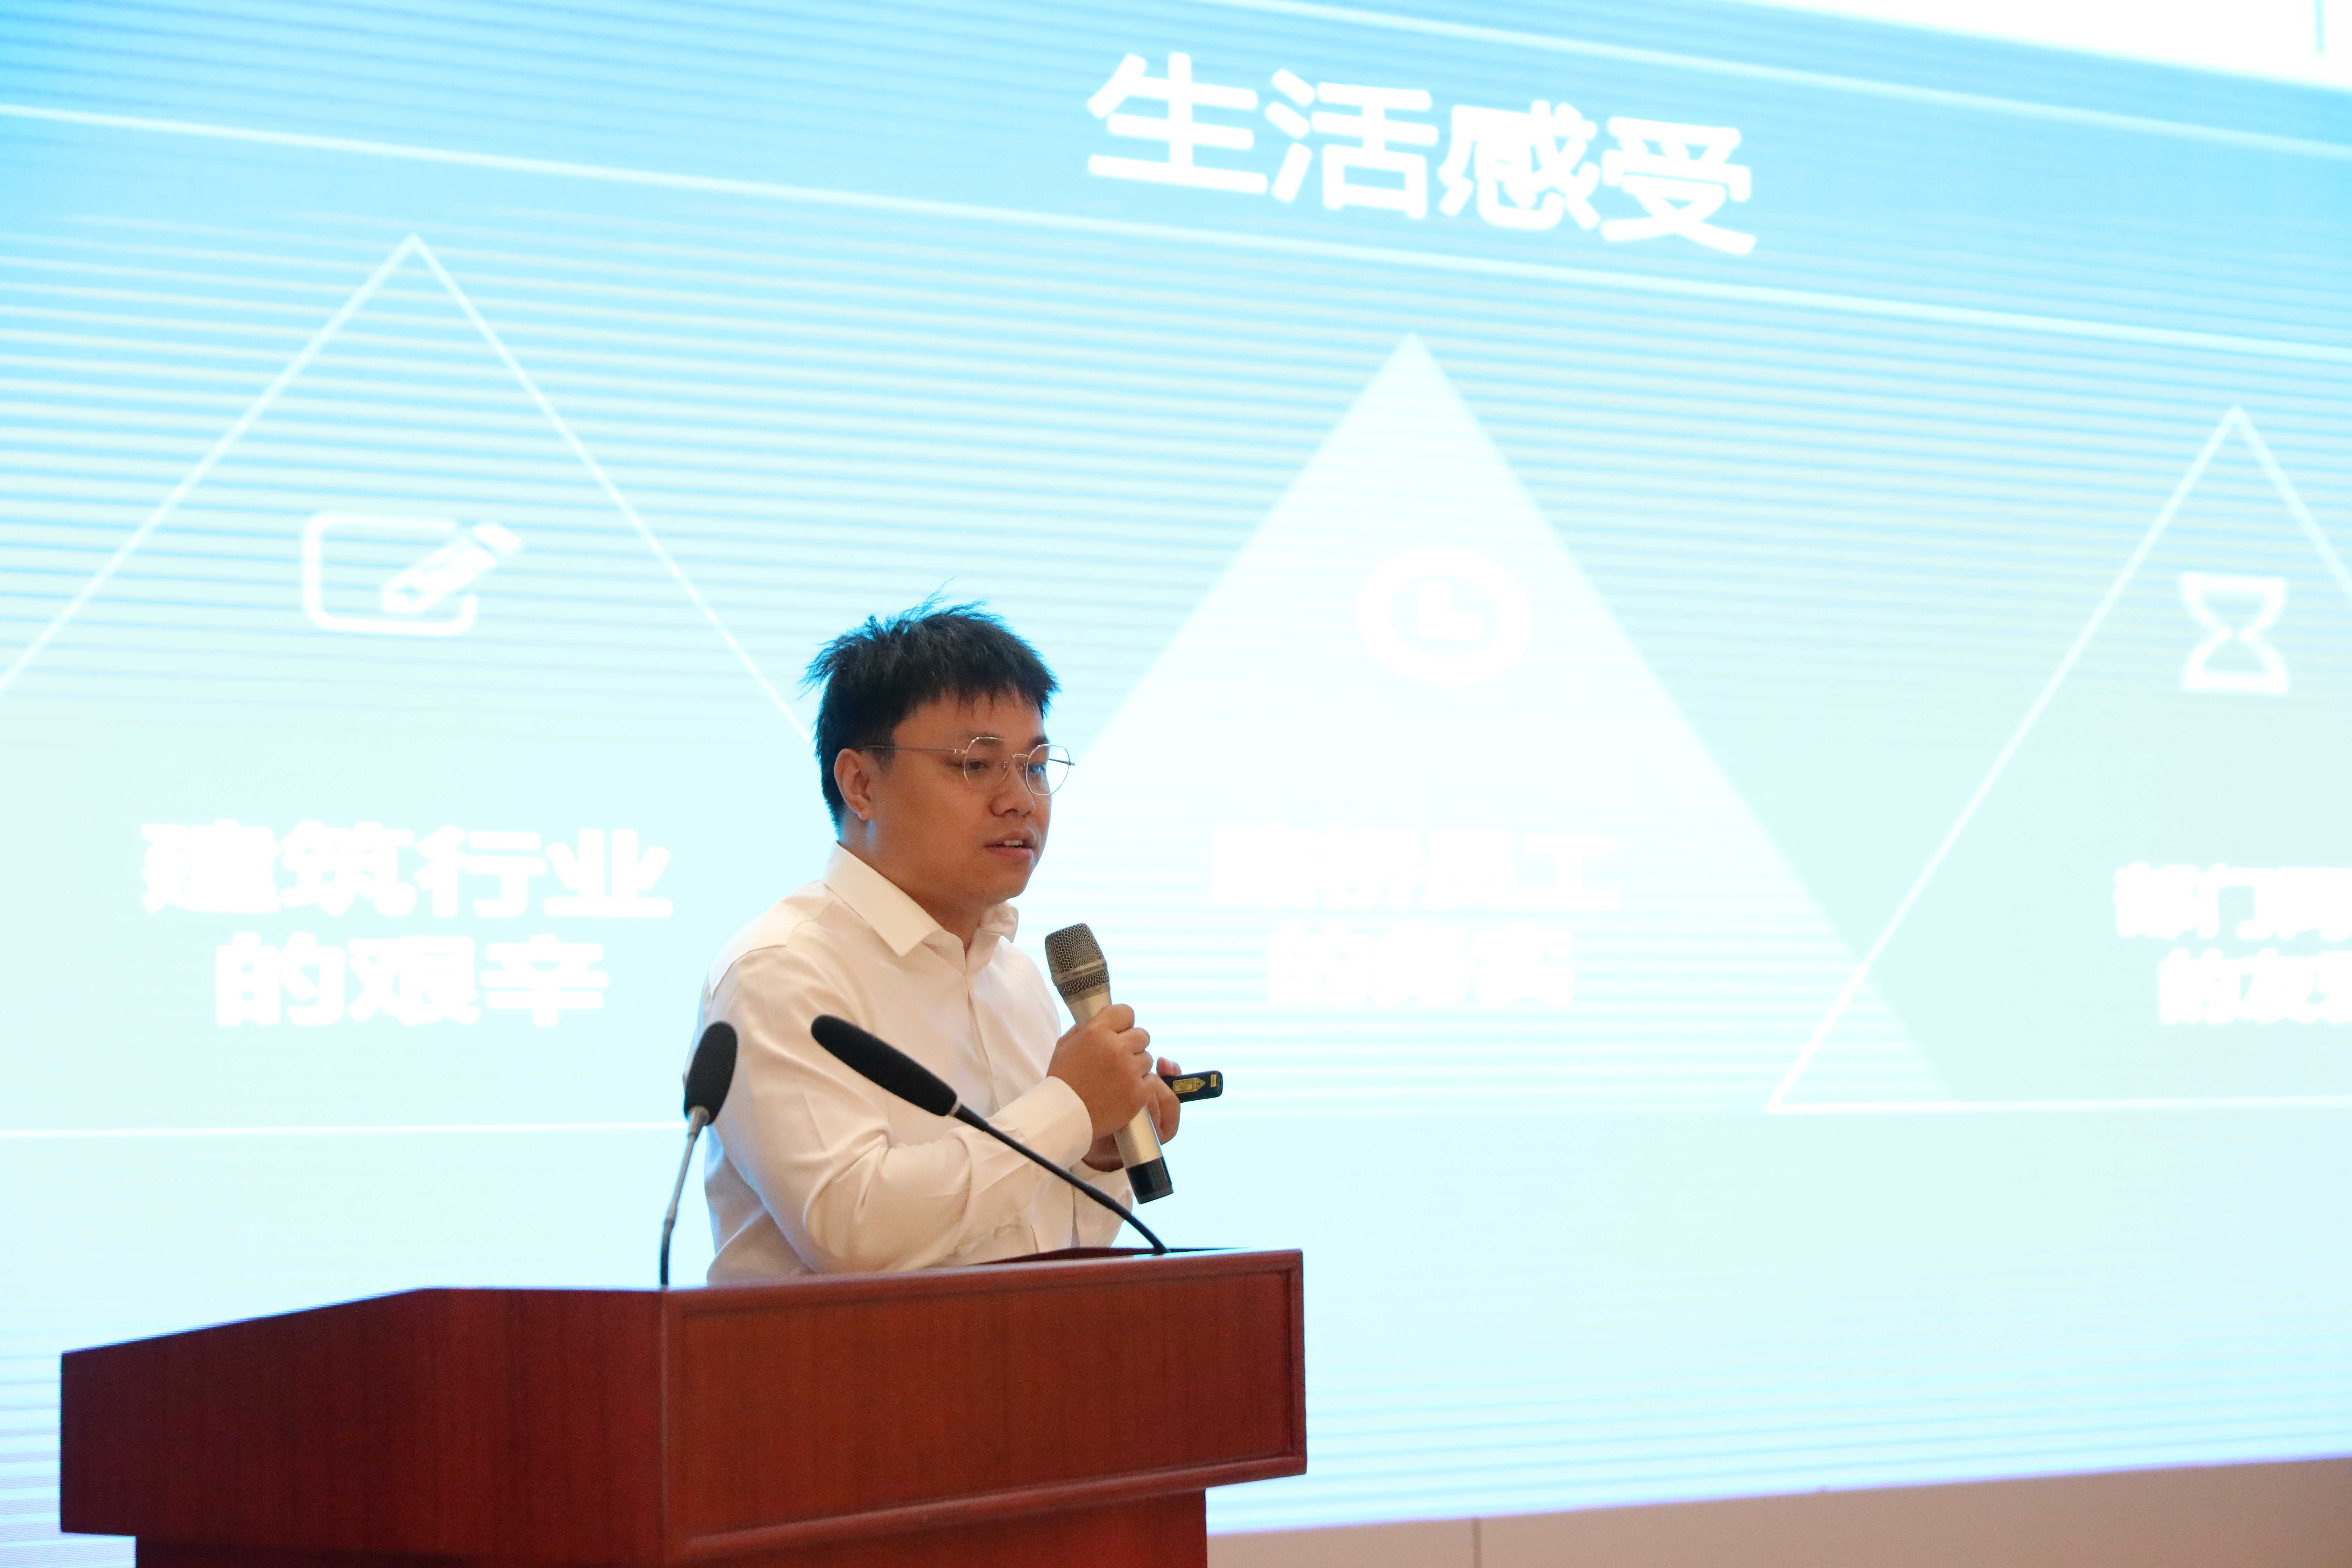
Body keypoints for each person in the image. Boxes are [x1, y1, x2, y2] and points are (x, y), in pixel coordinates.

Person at [696, 603, 1181, 1279]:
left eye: (1037, 766)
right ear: (860, 785)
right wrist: (1068, 1107)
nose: (1020, 800)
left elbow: (1044, 1243)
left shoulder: (1016, 980)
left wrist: (1096, 1147)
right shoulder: (782, 971)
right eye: (976, 764)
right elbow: (854, 1233)